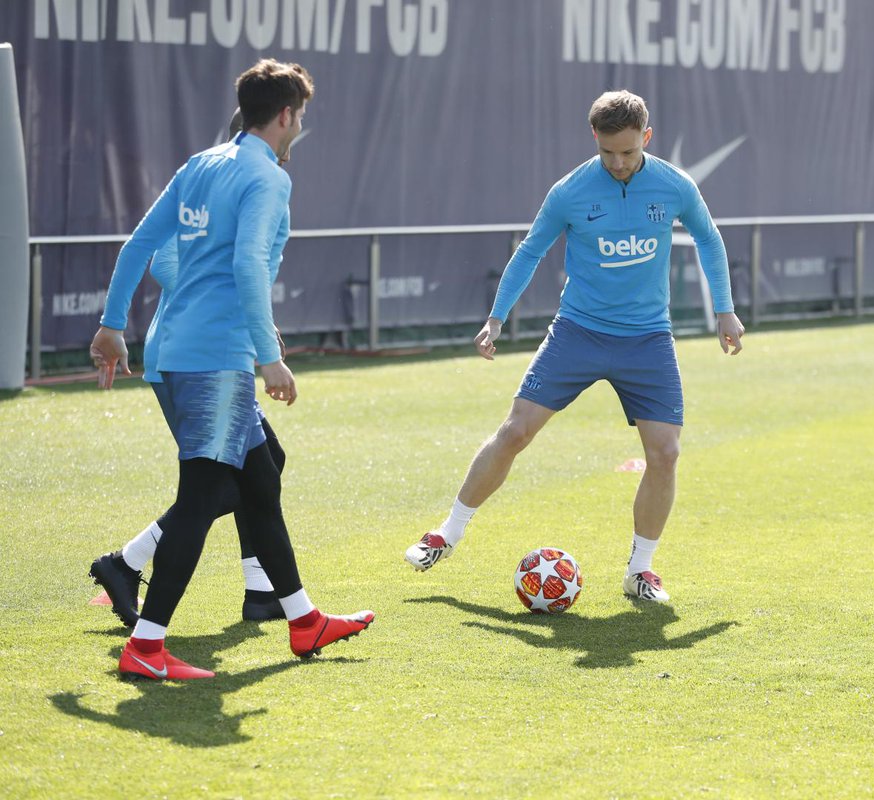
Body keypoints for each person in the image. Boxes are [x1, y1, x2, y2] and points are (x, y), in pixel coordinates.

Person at [89, 59, 373, 680]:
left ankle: (303, 619)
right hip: (214, 359)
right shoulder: (266, 178)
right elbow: (248, 267)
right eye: (301, 116)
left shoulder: (202, 163)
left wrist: (113, 325)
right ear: (287, 116)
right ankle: (146, 645)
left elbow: (139, 244)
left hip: (173, 351)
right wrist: (268, 358)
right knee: (202, 498)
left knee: (261, 475)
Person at [404, 90, 744, 601]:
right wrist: (495, 319)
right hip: (577, 332)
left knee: (666, 452)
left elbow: (709, 239)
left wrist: (725, 308)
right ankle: (447, 532)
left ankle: (640, 570)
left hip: (647, 339)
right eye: (608, 153)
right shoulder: (569, 191)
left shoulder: (674, 186)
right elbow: (529, 252)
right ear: (595, 141)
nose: (619, 163)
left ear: (646, 138)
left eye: (628, 152)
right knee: (516, 431)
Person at [89, 109, 293, 628]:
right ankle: (130, 570)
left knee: (265, 464)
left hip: (202, 350)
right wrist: (260, 345)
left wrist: (259, 332)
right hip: (199, 356)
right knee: (217, 489)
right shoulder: (232, 184)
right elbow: (172, 264)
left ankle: (262, 592)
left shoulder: (229, 181)